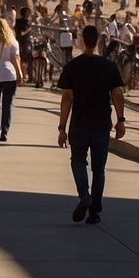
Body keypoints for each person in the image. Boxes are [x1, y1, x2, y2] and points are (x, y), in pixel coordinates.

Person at [57, 25, 126, 225]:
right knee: (99, 169)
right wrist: (121, 121)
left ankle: (84, 195)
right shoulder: (109, 66)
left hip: (79, 123)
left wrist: (62, 128)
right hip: (102, 124)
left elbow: (67, 97)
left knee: (77, 161)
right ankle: (94, 211)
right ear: (97, 41)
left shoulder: (73, 66)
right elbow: (117, 94)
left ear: (81, 41)